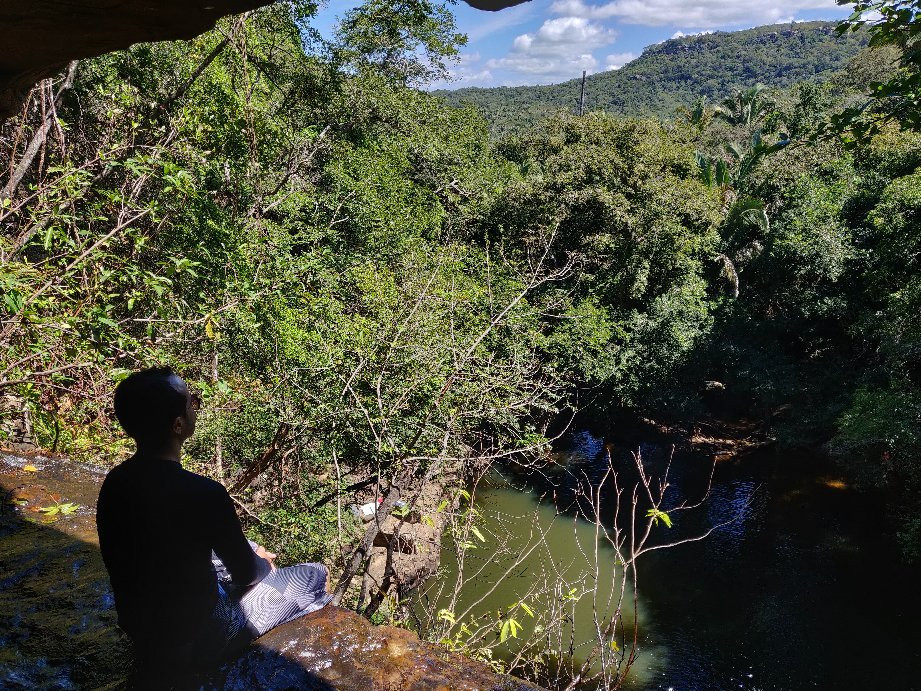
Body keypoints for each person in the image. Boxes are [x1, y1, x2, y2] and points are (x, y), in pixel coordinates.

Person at [96, 367, 332, 685]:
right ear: (178, 425)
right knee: (313, 574)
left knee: (241, 549)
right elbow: (248, 575)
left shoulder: (115, 482)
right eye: (192, 401)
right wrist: (263, 564)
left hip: (143, 635)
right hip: (197, 644)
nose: (196, 404)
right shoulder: (204, 493)